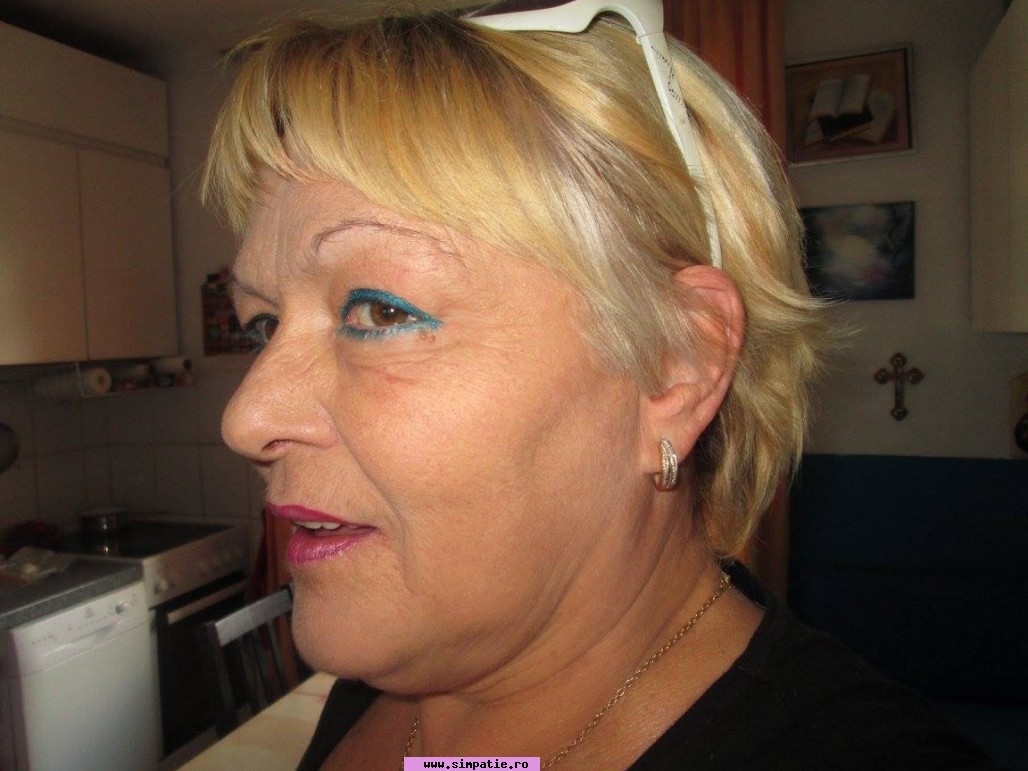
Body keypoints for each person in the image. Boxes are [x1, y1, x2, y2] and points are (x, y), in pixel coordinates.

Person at [202, 2, 997, 768]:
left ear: (675, 365)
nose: (247, 416)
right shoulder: (394, 666)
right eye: (263, 324)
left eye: (380, 310)